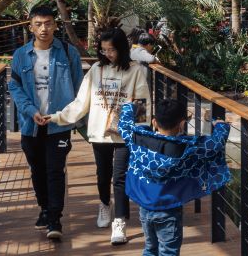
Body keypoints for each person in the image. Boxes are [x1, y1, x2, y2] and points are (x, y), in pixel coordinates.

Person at [51, 27, 152, 245]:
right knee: (102, 174)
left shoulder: (135, 71)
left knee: (120, 177)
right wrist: (57, 117)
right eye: (104, 50)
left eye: (112, 50)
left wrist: (140, 131)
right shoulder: (96, 70)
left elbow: (143, 103)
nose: (108, 54)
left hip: (124, 133)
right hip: (99, 132)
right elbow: (81, 102)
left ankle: (120, 221)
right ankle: (105, 204)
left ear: (122, 50)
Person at [11, 2, 84, 240]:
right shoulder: (21, 55)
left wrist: (70, 116)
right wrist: (30, 110)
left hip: (58, 124)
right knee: (37, 170)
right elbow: (15, 87)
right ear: (31, 27)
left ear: (55, 25)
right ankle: (44, 208)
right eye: (38, 24)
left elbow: (78, 87)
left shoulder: (68, 52)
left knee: (55, 170)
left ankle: (55, 218)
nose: (44, 28)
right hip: (31, 124)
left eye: (48, 23)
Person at [120, 98, 229, 256]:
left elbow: (123, 125)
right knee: (169, 251)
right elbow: (215, 144)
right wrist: (221, 126)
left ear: (154, 122)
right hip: (169, 210)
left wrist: (130, 107)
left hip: (144, 207)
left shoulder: (137, 138)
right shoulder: (187, 147)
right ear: (183, 124)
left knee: (150, 248)